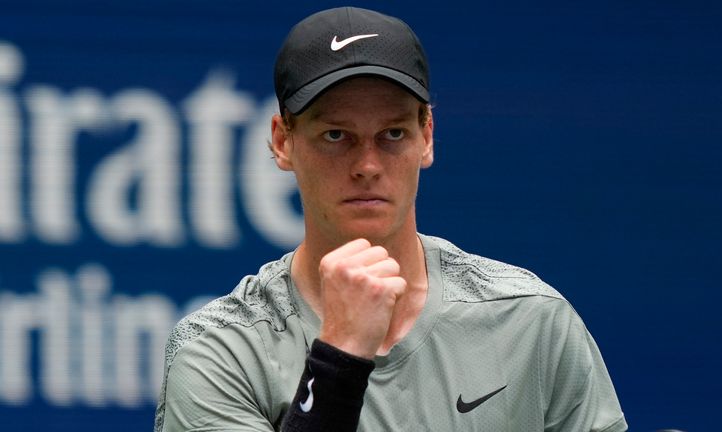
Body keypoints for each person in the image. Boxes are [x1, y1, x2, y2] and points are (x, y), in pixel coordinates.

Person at [154, 6, 628, 432]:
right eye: (336, 134)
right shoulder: (219, 350)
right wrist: (339, 354)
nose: (367, 164)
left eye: (393, 133)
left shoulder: (530, 319)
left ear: (427, 136)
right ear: (283, 141)